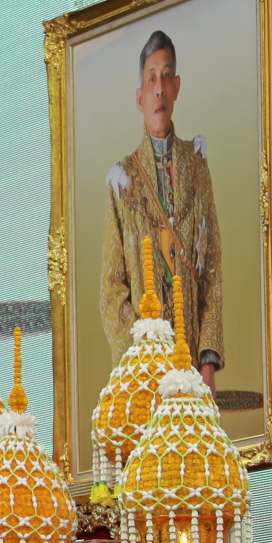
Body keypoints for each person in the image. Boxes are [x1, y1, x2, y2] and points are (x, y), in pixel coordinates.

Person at [100, 30, 224, 389]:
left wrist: (208, 360)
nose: (159, 88)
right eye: (151, 78)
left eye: (166, 77)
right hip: (143, 376)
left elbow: (212, 266)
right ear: (140, 98)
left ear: (177, 87)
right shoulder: (121, 182)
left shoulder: (197, 167)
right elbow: (111, 290)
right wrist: (141, 363)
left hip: (193, 370)